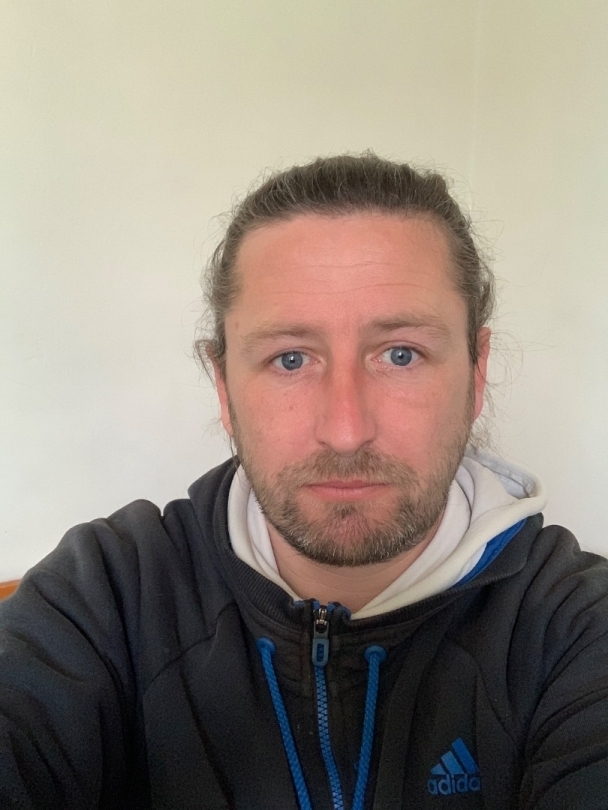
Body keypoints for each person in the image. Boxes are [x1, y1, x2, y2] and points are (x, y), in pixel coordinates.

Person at [1, 154, 608, 810]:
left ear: (477, 372)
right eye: (290, 359)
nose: (345, 431)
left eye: (400, 354)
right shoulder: (107, 598)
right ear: (223, 387)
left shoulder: (576, 628)